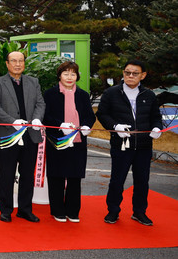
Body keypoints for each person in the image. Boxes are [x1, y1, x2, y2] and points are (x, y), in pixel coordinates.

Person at [96, 60, 163, 226]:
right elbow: (102, 114)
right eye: (127, 72)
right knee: (117, 180)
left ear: (143, 75)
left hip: (144, 146)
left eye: (135, 73)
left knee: (142, 181)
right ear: (123, 73)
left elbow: (156, 117)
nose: (130, 76)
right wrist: (115, 126)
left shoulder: (149, 95)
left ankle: (139, 212)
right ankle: (113, 211)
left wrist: (157, 128)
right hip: (121, 145)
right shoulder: (112, 93)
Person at [0, 50, 45, 223]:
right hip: (8, 135)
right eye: (14, 61)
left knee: (27, 175)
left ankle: (25, 209)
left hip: (30, 135)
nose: (18, 64)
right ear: (7, 64)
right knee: (6, 174)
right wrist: (12, 121)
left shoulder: (33, 82)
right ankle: (5, 210)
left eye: (21, 61)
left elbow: (40, 103)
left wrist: (36, 119)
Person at [42, 61, 95, 223]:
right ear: (59, 75)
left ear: (77, 76)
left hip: (78, 141)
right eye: (66, 73)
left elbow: (90, 115)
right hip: (57, 140)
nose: (70, 77)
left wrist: (86, 126)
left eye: (73, 74)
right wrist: (60, 125)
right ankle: (57, 210)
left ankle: (73, 211)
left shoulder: (83, 95)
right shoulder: (50, 94)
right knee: (56, 176)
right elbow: (45, 116)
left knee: (75, 177)